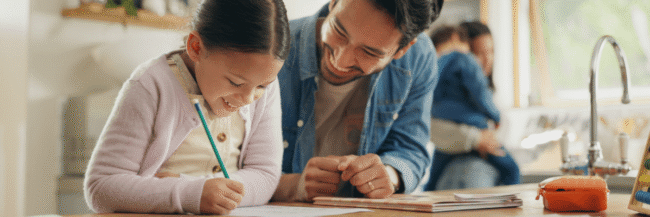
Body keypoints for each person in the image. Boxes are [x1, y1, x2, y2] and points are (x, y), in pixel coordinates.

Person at [83, 0, 290, 214]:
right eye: (235, 83)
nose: (248, 99)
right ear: (196, 47)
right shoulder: (151, 85)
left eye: (262, 86)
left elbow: (265, 176)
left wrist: (202, 189)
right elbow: (101, 187)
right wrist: (191, 193)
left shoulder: (263, 87)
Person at [271, 0, 444, 202]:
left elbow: (410, 148)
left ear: (402, 50)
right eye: (339, 31)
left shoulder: (418, 58)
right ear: (334, 3)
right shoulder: (272, 45)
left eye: (369, 52)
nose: (340, 61)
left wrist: (390, 174)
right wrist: (292, 186)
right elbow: (231, 170)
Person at [423, 22, 520, 191]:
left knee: (431, 184)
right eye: (478, 53)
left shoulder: (443, 69)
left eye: (490, 51)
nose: (486, 59)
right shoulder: (464, 66)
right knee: (512, 169)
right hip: (462, 163)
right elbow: (431, 127)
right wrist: (477, 139)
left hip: (457, 157)